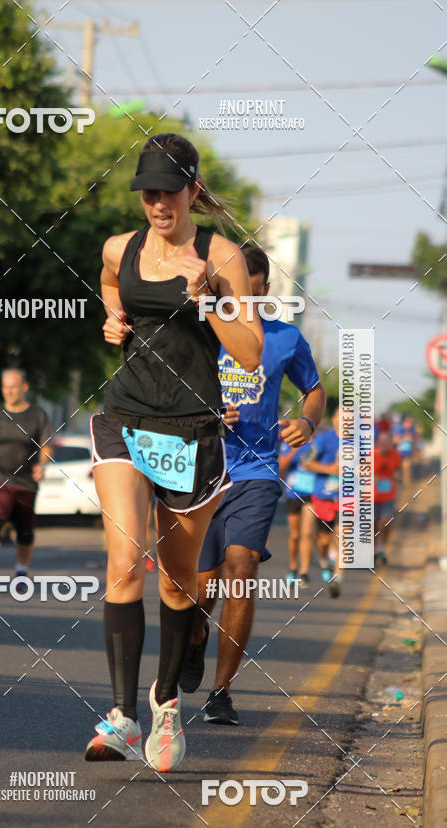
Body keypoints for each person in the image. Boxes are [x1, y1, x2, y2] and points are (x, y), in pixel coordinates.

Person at [85, 132, 264, 772]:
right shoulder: (120, 247)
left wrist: (209, 300)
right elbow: (110, 281)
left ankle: (166, 704)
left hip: (193, 428)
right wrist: (113, 319)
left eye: (169, 191)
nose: (158, 204)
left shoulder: (223, 256)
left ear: (192, 190)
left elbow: (249, 352)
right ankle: (123, 717)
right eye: (148, 193)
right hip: (125, 416)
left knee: (179, 580)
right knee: (126, 558)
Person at [178, 244, 325, 725]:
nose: (236, 291)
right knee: (199, 592)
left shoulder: (285, 338)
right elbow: (171, 386)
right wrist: (208, 410)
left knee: (240, 567)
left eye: (247, 283)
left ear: (261, 286)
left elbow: (314, 390)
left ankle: (221, 691)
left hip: (258, 472)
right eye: (226, 282)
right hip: (202, 471)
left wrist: (307, 421)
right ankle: (196, 635)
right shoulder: (200, 330)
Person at [0, 369, 52, 589]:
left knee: (25, 529)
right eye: (5, 387)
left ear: (24, 387)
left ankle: (21, 572)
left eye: (13, 386)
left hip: (25, 482)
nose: (9, 391)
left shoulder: (38, 415)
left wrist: (43, 464)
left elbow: (46, 445)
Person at [304, 407, 342, 596]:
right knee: (324, 540)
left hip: (347, 496)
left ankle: (337, 578)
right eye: (341, 417)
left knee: (343, 534)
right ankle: (325, 560)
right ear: (335, 419)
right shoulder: (324, 439)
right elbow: (306, 462)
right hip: (323, 494)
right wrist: (330, 470)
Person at [279, 440, 316, 586]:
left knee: (307, 533)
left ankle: (304, 571)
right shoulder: (289, 443)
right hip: (293, 493)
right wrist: (294, 450)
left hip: (312, 494)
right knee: (294, 534)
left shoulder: (319, 443)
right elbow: (280, 469)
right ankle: (293, 567)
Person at [374, 430, 402, 566]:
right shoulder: (370, 455)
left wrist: (396, 475)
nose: (384, 445)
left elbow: (397, 470)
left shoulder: (395, 456)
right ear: (378, 443)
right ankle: (374, 551)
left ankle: (382, 547)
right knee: (373, 525)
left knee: (386, 522)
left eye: (387, 443)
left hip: (388, 495)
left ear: (390, 443)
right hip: (371, 497)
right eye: (382, 443)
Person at [393, 414, 418, 487]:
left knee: (406, 467)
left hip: (408, 452)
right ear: (405, 423)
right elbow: (395, 440)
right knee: (400, 468)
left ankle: (406, 483)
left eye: (411, 423)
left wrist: (412, 440)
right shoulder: (400, 429)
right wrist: (404, 438)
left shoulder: (412, 429)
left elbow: (415, 440)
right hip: (400, 452)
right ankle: (399, 482)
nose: (410, 424)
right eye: (408, 422)